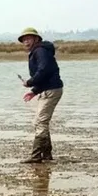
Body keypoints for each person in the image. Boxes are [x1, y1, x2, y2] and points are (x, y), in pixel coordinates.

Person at [18, 27, 64, 163]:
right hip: (48, 89)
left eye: (28, 38)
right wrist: (34, 91)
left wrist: (30, 82)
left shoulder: (40, 51)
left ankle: (36, 156)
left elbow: (44, 70)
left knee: (40, 122)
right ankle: (46, 155)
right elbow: (46, 74)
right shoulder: (38, 51)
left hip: (51, 90)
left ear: (36, 39)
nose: (26, 41)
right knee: (40, 122)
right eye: (24, 39)